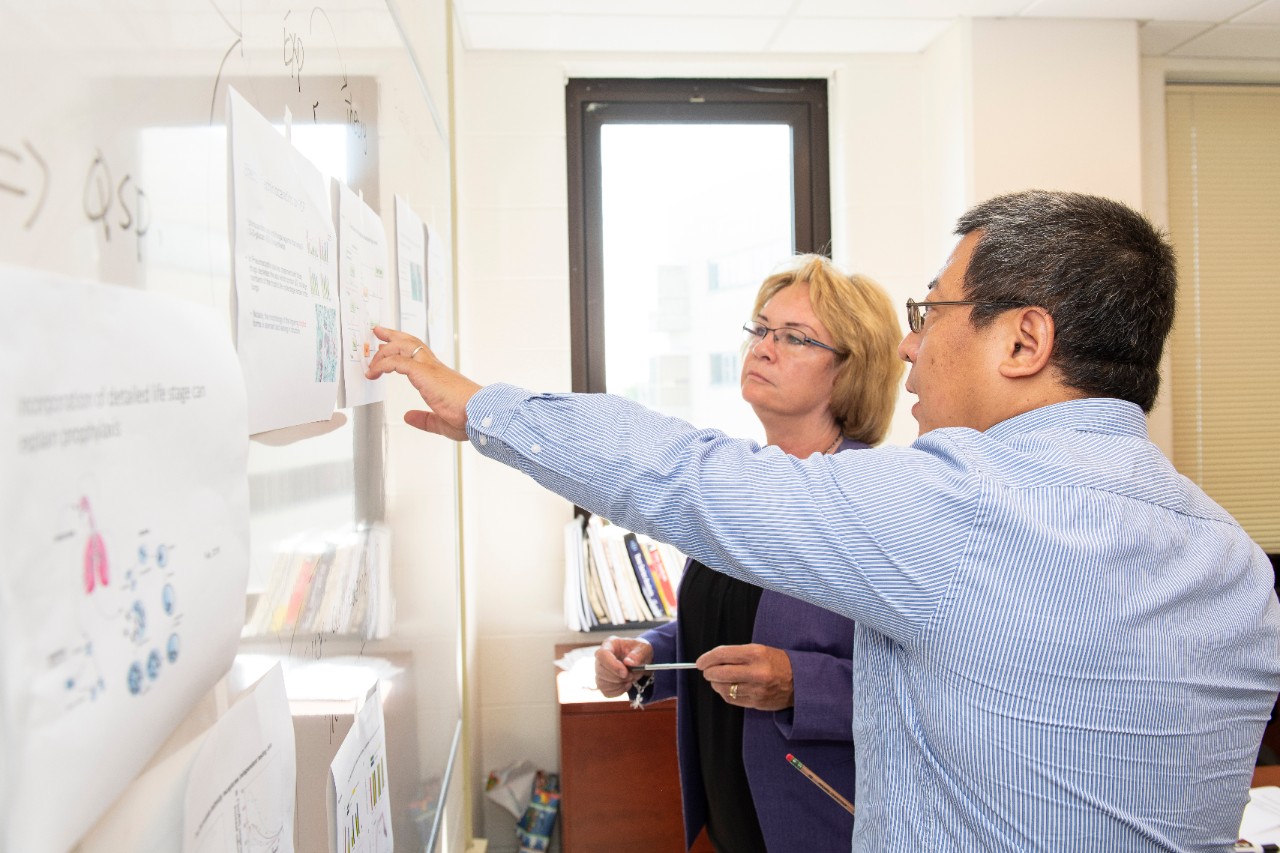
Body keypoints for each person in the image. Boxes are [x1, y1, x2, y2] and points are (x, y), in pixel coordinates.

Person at [367, 190, 1280, 850]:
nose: (912, 342)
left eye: (931, 310)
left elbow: (685, 476)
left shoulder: (951, 508)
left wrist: (479, 404)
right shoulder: (1237, 562)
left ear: (1023, 339)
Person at [593, 255, 903, 853]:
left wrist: (798, 683)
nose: (762, 348)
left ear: (849, 370)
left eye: (794, 337)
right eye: (761, 329)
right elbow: (733, 618)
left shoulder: (875, 499)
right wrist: (651, 655)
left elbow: (932, 683)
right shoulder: (743, 484)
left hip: (821, 819)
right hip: (732, 816)